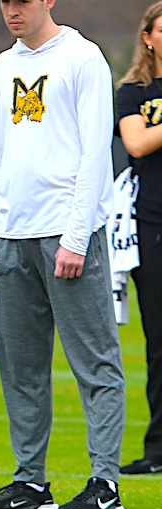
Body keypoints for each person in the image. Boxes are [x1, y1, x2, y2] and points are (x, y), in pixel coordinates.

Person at [0, 0, 126, 509]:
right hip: (11, 235)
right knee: (20, 368)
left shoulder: (83, 58)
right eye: (6, 1)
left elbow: (95, 151)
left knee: (94, 362)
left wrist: (77, 237)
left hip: (66, 231)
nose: (12, 10)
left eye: (24, 1)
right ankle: (30, 483)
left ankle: (105, 484)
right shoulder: (0, 66)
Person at [114, 1, 162, 476]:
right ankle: (158, 450)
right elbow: (137, 143)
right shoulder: (133, 93)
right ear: (148, 36)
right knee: (159, 342)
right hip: (153, 226)